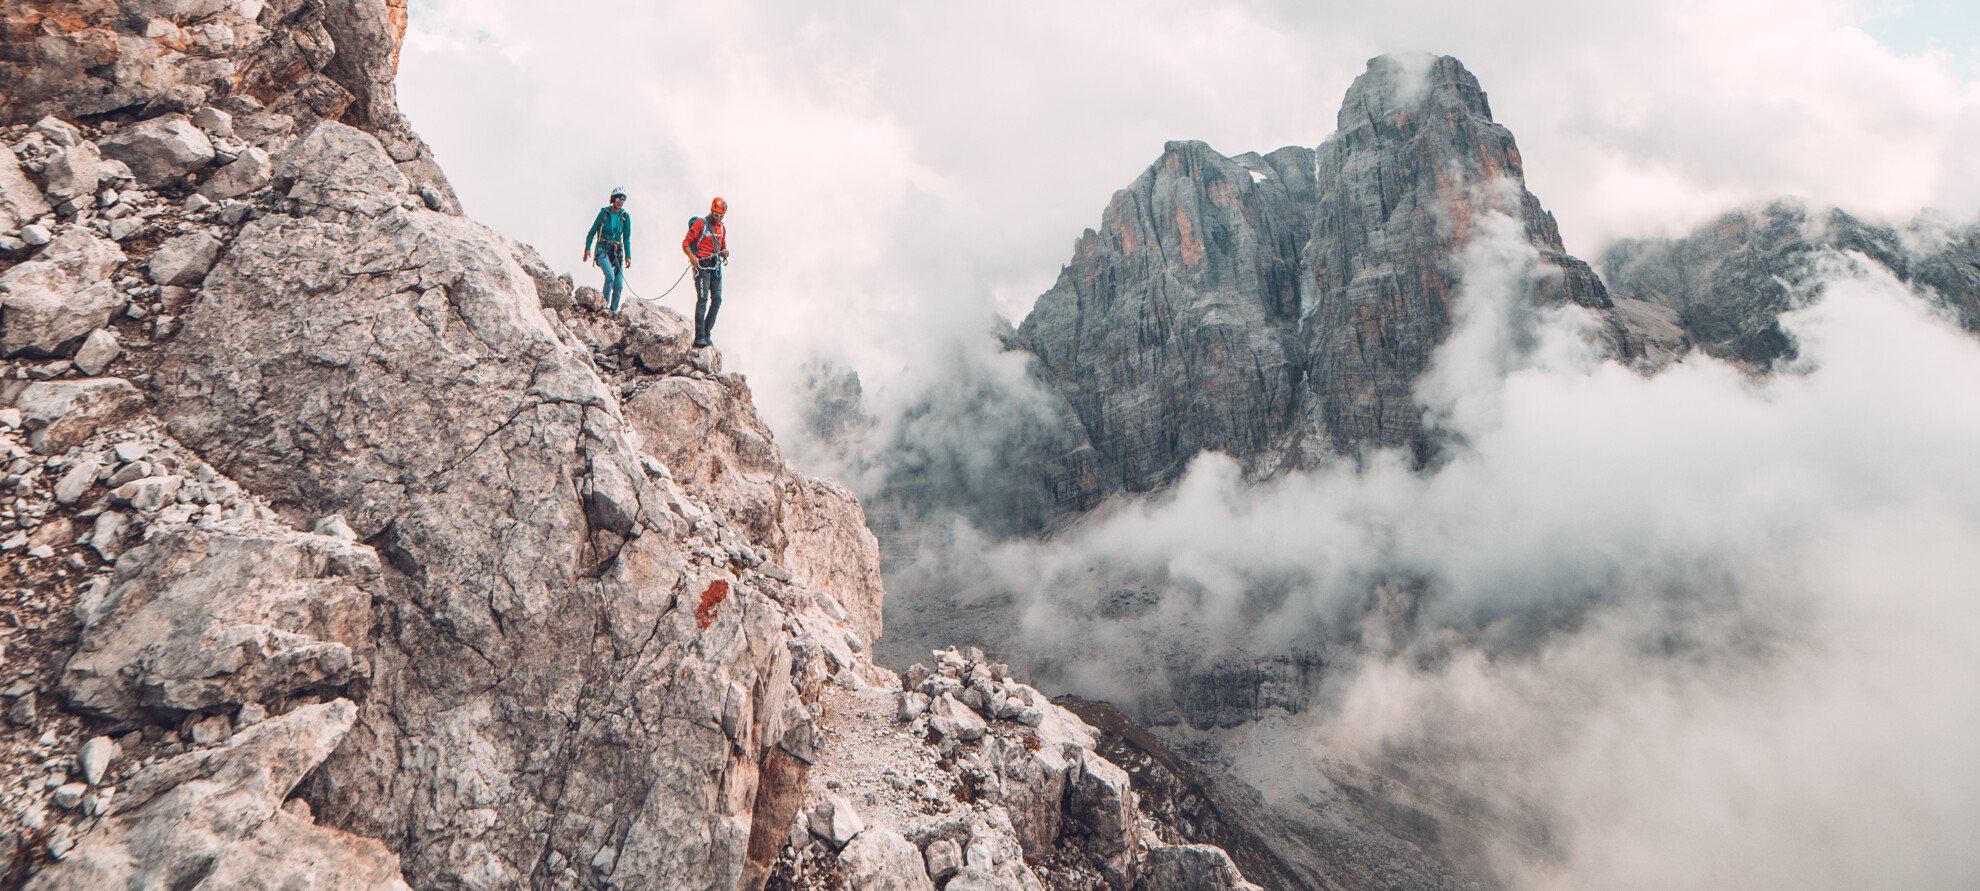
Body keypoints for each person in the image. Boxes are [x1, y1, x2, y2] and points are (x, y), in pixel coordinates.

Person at [682, 197, 729, 348]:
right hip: (701, 265)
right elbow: (686, 243)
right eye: (717, 215)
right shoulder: (700, 224)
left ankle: (707, 332)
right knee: (702, 299)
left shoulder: (722, 228)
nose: (719, 218)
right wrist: (692, 256)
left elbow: (722, 246)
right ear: (712, 211)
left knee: (717, 299)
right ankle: (700, 337)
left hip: (715, 265)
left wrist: (724, 253)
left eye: (721, 216)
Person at [582, 187, 632, 313]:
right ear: (613, 200)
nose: (620, 202)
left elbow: (626, 238)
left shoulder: (625, 217)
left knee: (619, 285)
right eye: (618, 199)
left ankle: (613, 311)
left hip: (617, 252)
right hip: (602, 249)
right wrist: (587, 248)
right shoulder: (604, 213)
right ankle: (603, 306)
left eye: (622, 200)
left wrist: (628, 256)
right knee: (610, 277)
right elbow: (592, 232)